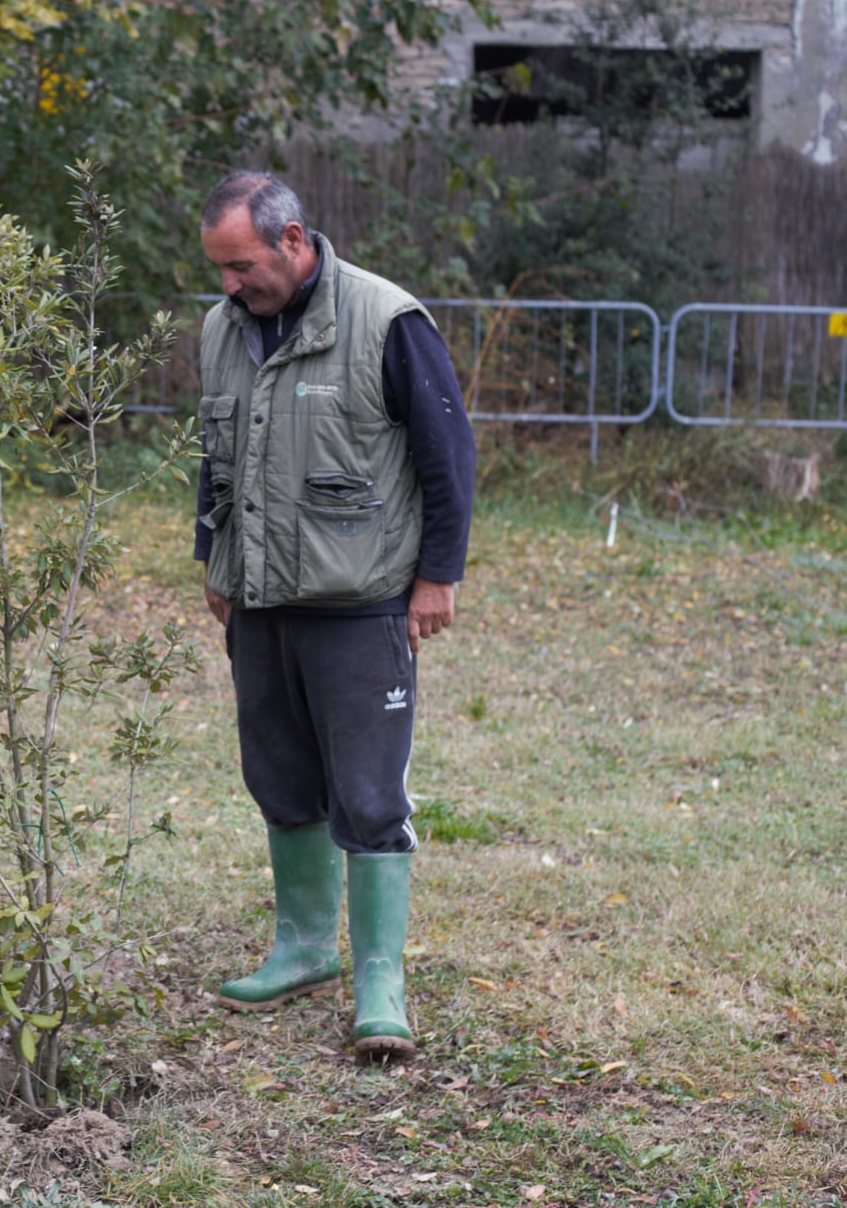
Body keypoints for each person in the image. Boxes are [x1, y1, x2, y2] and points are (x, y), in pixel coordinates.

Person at [194, 171, 476, 1059]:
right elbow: (214, 453)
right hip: (261, 600)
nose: (231, 284)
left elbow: (447, 452)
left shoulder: (388, 321)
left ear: (294, 239)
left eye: (242, 265)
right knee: (279, 775)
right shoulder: (222, 329)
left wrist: (437, 575)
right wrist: (214, 559)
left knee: (368, 792)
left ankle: (379, 981)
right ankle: (304, 948)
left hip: (363, 601)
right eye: (219, 269)